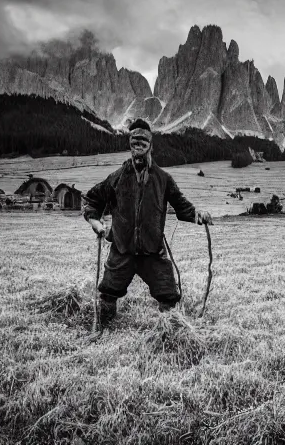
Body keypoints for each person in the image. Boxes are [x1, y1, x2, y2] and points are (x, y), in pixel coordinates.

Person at [82, 119, 212, 329]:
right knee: (107, 292)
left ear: (150, 145)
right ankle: (103, 329)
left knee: (168, 295)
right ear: (130, 145)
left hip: (153, 251)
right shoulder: (116, 178)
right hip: (122, 249)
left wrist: (198, 215)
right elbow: (92, 200)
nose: (138, 148)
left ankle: (168, 332)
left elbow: (181, 206)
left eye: (143, 143)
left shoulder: (163, 179)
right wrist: (95, 222)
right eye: (134, 143)